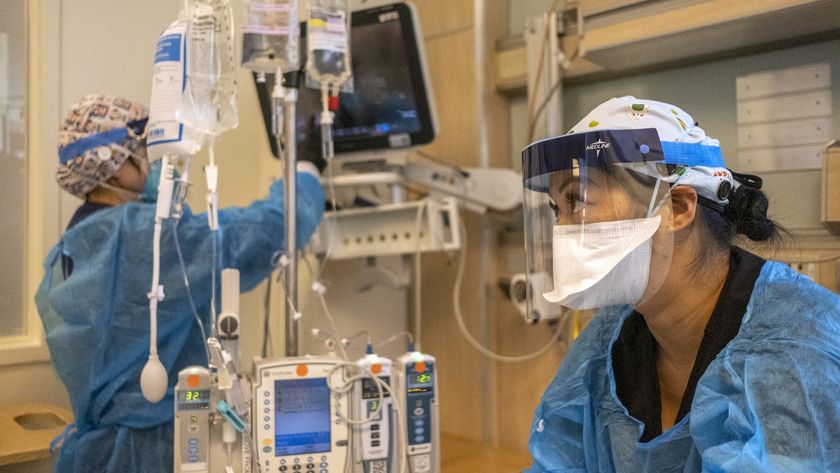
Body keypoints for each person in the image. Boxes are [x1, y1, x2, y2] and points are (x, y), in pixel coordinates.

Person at [521, 96, 840, 472]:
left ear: (677, 208)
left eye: (578, 201)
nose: (562, 230)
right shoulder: (609, 339)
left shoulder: (799, 349)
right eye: (557, 210)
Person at [35, 94, 325, 473]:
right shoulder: (138, 237)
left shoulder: (80, 239)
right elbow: (260, 234)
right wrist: (304, 173)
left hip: (101, 452)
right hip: (153, 450)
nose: (160, 162)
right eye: (146, 150)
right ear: (115, 166)